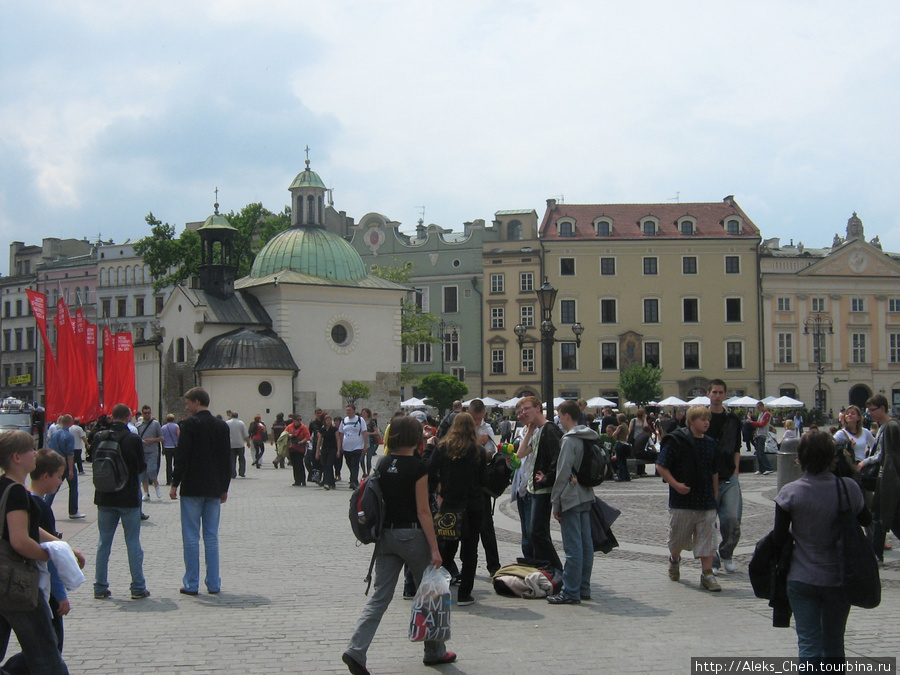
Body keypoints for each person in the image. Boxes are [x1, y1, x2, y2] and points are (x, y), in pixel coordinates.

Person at [343, 415, 456, 674]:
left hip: (386, 538)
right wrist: (435, 548)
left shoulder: (382, 464)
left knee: (380, 597)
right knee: (429, 594)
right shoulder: (418, 468)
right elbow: (423, 511)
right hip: (413, 536)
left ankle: (356, 650)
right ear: (415, 438)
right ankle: (434, 651)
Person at [773, 431, 871, 660]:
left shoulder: (790, 492)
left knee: (808, 644)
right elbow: (866, 520)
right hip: (838, 576)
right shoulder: (848, 488)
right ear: (833, 457)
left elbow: (779, 539)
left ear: (800, 458)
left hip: (801, 576)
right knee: (834, 642)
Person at [0, 430, 81, 674]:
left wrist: (61, 546)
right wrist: (50, 554)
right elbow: (20, 540)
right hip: (17, 584)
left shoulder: (6, 487)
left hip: (4, 581)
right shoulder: (15, 492)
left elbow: (27, 527)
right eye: (30, 450)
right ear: (17, 457)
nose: (35, 454)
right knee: (47, 657)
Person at [170, 387, 232, 595]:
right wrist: (224, 487)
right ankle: (214, 583)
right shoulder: (221, 426)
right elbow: (226, 459)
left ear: (197, 402)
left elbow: (182, 456)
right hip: (214, 487)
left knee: (190, 537)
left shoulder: (189, 424)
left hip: (192, 486)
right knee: (211, 536)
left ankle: (191, 583)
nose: (186, 407)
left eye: (188, 403)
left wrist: (174, 483)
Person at [656, 405, 721, 592]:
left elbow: (714, 471)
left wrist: (715, 494)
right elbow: (661, 465)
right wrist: (676, 485)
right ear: (691, 421)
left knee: (708, 539)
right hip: (682, 501)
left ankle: (707, 574)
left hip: (706, 500)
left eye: (708, 419)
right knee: (677, 539)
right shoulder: (677, 440)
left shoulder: (710, 443)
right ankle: (674, 559)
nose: (706, 422)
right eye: (702, 419)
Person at [93, 404, 150, 600]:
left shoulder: (99, 436)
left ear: (111, 417)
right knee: (132, 542)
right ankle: (137, 587)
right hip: (128, 497)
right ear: (128, 417)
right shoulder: (132, 439)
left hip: (104, 495)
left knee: (103, 543)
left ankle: (100, 586)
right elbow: (141, 466)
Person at [429, 412, 484, 606]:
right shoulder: (477, 449)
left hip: (450, 504)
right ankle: (464, 593)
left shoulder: (442, 447)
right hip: (472, 504)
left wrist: (439, 488)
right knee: (470, 551)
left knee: (446, 547)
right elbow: (483, 478)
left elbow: (430, 471)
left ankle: (439, 589)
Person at [547, 400, 598, 604]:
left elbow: (562, 474)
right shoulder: (589, 436)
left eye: (560, 415)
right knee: (586, 545)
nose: (559, 419)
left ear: (567, 416)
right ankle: (584, 587)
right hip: (587, 493)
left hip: (570, 496)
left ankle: (570, 591)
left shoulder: (569, 440)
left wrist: (555, 502)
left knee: (573, 547)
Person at [28, 449, 70, 652]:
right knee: (53, 645)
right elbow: (51, 555)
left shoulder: (25, 500)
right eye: (59, 476)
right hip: (45, 587)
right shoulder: (41, 508)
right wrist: (60, 594)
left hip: (31, 583)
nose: (61, 482)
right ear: (46, 476)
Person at [515, 396, 563, 571]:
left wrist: (547, 477)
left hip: (544, 490)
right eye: (520, 411)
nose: (523, 413)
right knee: (536, 533)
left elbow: (558, 459)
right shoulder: (538, 431)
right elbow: (520, 454)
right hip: (534, 490)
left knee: (537, 533)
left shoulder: (550, 429)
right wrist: (529, 430)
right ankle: (548, 569)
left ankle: (556, 570)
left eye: (526, 409)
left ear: (537, 408)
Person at [706, 379, 743, 575]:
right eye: (714, 392)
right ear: (708, 394)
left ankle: (727, 553)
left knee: (731, 518)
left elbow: (737, 447)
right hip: (706, 478)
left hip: (729, 476)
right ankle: (713, 560)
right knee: (708, 521)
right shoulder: (702, 417)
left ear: (725, 395)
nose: (718, 395)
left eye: (721, 392)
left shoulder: (733, 420)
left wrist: (736, 472)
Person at [858, 394, 900, 564]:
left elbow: (885, 455)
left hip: (890, 479)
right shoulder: (883, 427)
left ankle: (876, 554)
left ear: (883, 408)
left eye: (873, 410)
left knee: (890, 517)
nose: (870, 414)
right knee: (878, 515)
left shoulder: (891, 427)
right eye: (868, 411)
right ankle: (876, 554)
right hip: (884, 478)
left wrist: (864, 462)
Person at [45, 414, 85, 519]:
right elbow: (70, 454)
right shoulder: (69, 436)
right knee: (73, 488)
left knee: (53, 487)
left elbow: (50, 448)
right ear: (70, 422)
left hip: (55, 462)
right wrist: (71, 469)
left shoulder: (55, 433)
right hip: (66, 463)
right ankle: (73, 511)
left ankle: (44, 507)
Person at [137, 405, 164, 501]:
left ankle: (156, 485)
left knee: (151, 470)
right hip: (142, 451)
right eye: (145, 413)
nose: (147, 415)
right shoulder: (138, 425)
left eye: (149, 413)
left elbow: (161, 437)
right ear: (142, 413)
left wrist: (152, 440)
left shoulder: (155, 424)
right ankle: (146, 493)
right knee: (143, 473)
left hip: (152, 451)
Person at [338, 405, 368, 490]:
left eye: (349, 410)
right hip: (346, 446)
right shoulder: (344, 421)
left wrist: (365, 446)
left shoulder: (360, 420)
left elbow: (365, 433)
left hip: (357, 446)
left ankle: (353, 482)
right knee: (349, 463)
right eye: (347, 410)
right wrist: (340, 446)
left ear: (354, 411)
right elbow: (341, 433)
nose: (348, 412)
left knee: (355, 463)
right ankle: (353, 478)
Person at [747, 402, 775, 474]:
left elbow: (762, 424)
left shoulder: (767, 414)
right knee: (758, 452)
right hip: (758, 434)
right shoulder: (761, 414)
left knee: (761, 452)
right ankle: (761, 468)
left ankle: (768, 467)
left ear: (762, 406)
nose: (758, 409)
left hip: (762, 434)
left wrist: (752, 422)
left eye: (758, 408)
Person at [316, 415, 340, 490]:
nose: (328, 421)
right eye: (327, 420)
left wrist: (339, 450)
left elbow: (338, 440)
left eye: (330, 420)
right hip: (324, 449)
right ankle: (332, 482)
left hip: (332, 449)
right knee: (326, 465)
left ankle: (326, 482)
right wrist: (317, 452)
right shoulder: (322, 430)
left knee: (329, 465)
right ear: (324, 421)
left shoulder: (334, 429)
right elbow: (319, 441)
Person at [286, 414, 310, 487]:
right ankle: (297, 480)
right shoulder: (290, 426)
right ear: (294, 420)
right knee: (294, 464)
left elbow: (308, 437)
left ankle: (302, 480)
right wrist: (290, 435)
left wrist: (302, 442)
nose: (299, 421)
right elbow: (285, 433)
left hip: (300, 448)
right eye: (298, 420)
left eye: (300, 420)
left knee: (300, 463)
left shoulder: (304, 427)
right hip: (292, 448)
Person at [226, 411, 250, 479]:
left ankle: (233, 473)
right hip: (240, 444)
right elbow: (245, 434)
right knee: (241, 458)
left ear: (231, 416)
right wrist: (248, 442)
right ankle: (242, 472)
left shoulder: (227, 423)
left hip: (231, 444)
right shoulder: (241, 423)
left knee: (232, 459)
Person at [161, 414, 180, 485]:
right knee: (176, 463)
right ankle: (175, 478)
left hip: (167, 447)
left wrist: (163, 448)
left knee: (168, 464)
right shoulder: (176, 426)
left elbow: (162, 439)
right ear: (173, 419)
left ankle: (168, 480)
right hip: (175, 447)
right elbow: (178, 435)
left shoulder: (163, 427)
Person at [361, 408, 380, 478]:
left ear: (368, 414)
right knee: (361, 459)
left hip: (371, 442)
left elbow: (376, 432)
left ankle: (368, 474)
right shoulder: (360, 421)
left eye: (364, 412)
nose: (363, 414)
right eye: (362, 412)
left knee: (368, 459)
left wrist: (367, 433)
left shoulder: (372, 422)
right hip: (362, 442)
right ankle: (364, 472)